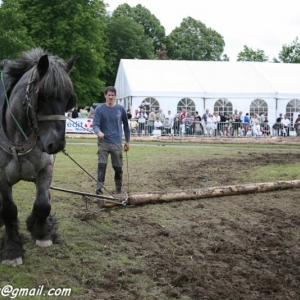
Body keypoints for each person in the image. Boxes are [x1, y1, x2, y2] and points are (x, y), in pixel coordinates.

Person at [93, 86, 130, 195]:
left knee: (118, 168)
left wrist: (127, 141)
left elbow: (127, 126)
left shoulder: (121, 109)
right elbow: (95, 125)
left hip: (116, 143)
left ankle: (118, 190)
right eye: (108, 95)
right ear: (105, 95)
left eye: (112, 95)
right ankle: (98, 191)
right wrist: (98, 132)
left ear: (115, 96)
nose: (110, 97)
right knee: (101, 167)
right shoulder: (99, 109)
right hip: (103, 143)